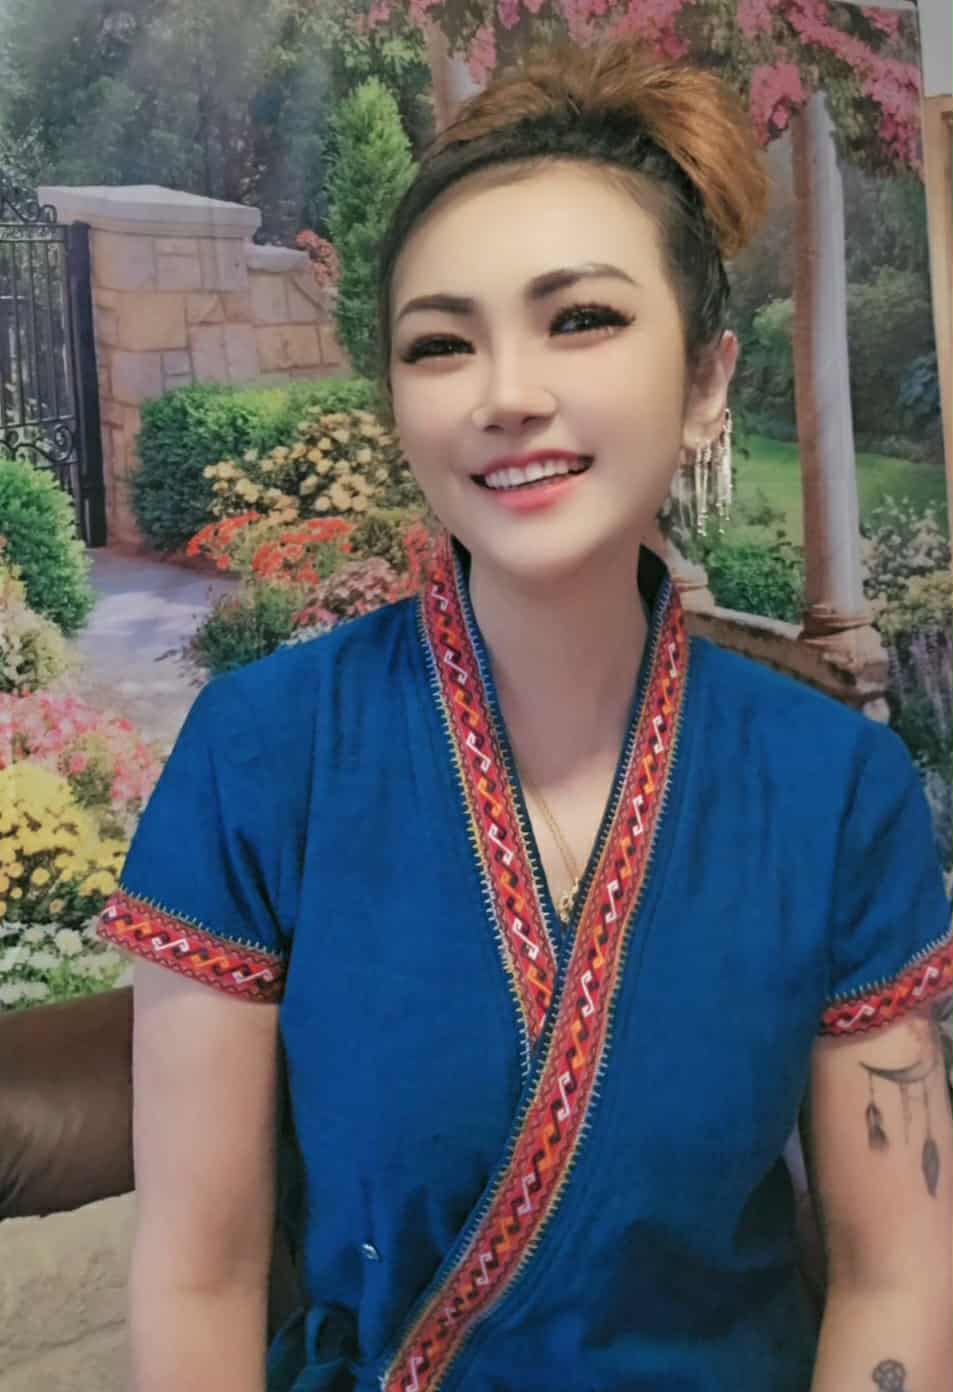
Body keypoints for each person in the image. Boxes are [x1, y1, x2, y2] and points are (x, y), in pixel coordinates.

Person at [98, 38, 952, 1392]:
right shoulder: (264, 756)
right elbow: (196, 1276)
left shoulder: (833, 788)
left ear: (708, 381)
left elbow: (895, 1274)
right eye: (441, 344)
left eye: (583, 319)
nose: (505, 394)